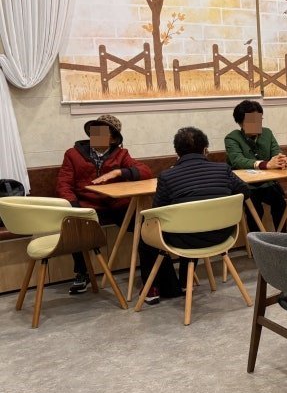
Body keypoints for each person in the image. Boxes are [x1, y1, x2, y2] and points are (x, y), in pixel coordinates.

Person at [55, 114, 153, 295]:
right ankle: (82, 273)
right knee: (75, 225)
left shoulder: (122, 154)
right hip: (88, 205)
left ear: (113, 139)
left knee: (145, 227)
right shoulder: (73, 154)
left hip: (117, 205)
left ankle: (149, 275)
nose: (96, 136)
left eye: (102, 133)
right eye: (95, 131)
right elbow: (64, 184)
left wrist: (119, 172)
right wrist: (74, 205)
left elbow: (145, 171)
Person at [147, 127, 251, 293]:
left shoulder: (167, 176)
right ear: (205, 149)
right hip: (223, 234)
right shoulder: (223, 169)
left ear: (177, 152)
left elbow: (157, 211)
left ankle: (160, 289)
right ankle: (184, 282)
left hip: (186, 240)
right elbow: (245, 192)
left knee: (150, 230)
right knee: (191, 224)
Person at [224, 100, 287, 230]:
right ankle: (256, 241)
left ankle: (283, 238)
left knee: (280, 204)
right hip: (246, 185)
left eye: (259, 120)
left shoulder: (267, 133)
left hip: (268, 183)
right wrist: (265, 164)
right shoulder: (232, 138)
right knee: (255, 210)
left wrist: (281, 160)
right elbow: (237, 160)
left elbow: (276, 152)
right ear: (240, 122)